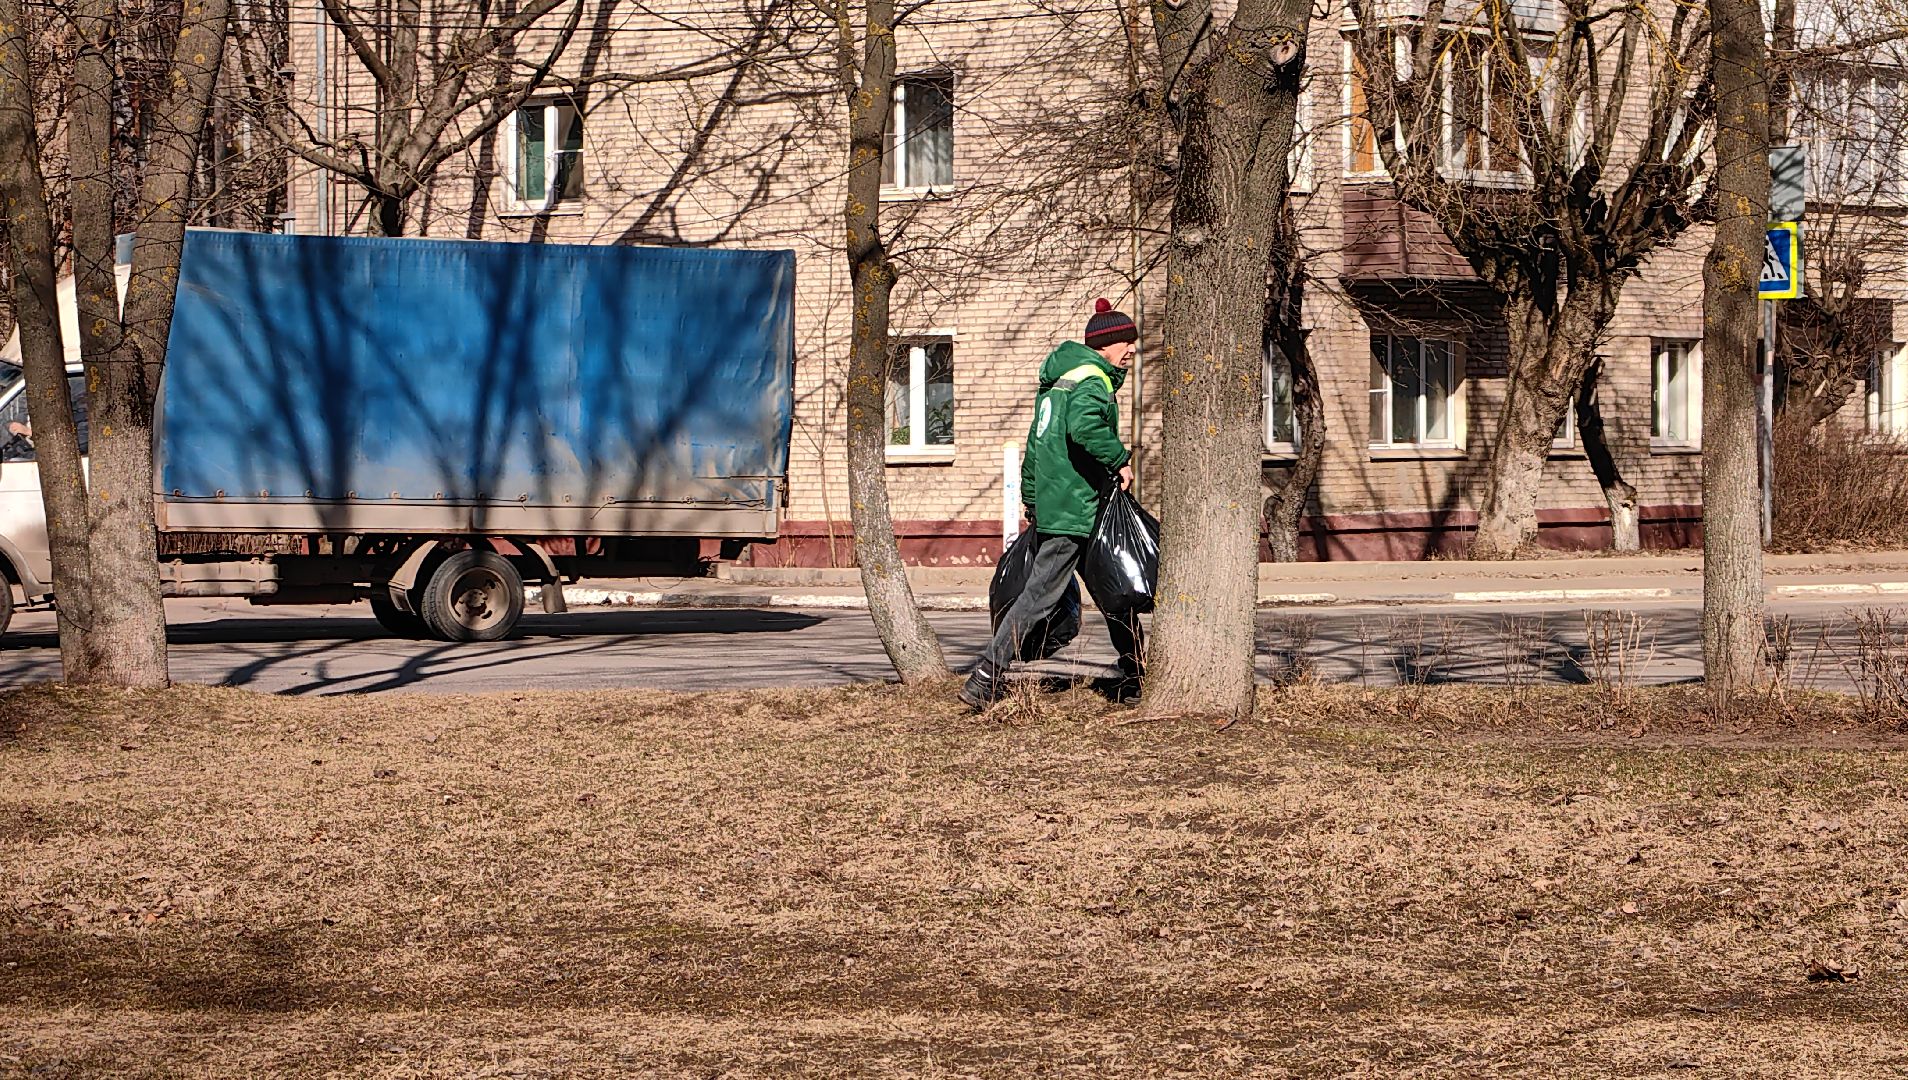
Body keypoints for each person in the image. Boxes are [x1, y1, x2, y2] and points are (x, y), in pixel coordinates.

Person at [962, 298, 1143, 709]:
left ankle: (1135, 671)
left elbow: (1036, 446)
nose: (1132, 349)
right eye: (1126, 342)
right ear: (1105, 345)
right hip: (1074, 507)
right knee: (1040, 596)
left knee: (1111, 590)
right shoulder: (1092, 380)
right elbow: (1084, 427)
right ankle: (986, 676)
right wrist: (1120, 459)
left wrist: (1032, 499)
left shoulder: (1057, 383)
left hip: (1064, 505)